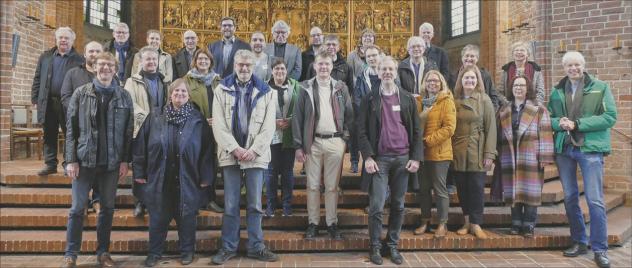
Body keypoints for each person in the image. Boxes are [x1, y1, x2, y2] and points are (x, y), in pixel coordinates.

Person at [62, 52, 133, 268]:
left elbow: (128, 132)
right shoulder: (81, 93)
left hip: (111, 163)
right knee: (77, 208)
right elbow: (71, 130)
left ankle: (103, 252)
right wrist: (70, 160)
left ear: (116, 69)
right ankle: (71, 254)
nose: (105, 68)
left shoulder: (124, 96)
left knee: (108, 208)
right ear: (93, 67)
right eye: (101, 64)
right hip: (84, 161)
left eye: (110, 65)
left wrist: (125, 161)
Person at [134, 79, 215, 267]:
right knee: (157, 219)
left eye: (184, 92)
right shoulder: (155, 116)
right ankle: (154, 253)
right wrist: (139, 171)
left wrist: (205, 177)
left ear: (189, 96)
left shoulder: (197, 119)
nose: (180, 94)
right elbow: (140, 146)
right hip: (159, 178)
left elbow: (206, 150)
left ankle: (187, 252)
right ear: (170, 94)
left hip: (188, 178)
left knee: (186, 218)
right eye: (176, 91)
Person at [548, 51, 617, 268]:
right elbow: (548, 118)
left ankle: (600, 249)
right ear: (564, 68)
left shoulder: (600, 87)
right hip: (565, 149)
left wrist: (577, 124)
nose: (573, 68)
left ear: (583, 66)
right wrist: (560, 123)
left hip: (590, 149)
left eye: (577, 65)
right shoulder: (557, 90)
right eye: (569, 65)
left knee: (595, 200)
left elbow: (609, 117)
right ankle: (579, 241)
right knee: (569, 197)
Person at [210, 50, 279, 265]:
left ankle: (256, 246)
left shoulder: (267, 91)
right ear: (234, 65)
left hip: (255, 156)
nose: (244, 68)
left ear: (254, 66)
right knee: (230, 204)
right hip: (230, 155)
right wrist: (234, 148)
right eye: (240, 64)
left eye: (249, 65)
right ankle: (228, 247)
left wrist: (254, 150)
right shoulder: (221, 89)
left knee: (255, 204)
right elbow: (219, 125)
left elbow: (269, 126)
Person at [357, 56, 421, 265]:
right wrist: (367, 156)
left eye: (390, 69)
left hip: (402, 159)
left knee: (399, 205)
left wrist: (416, 158)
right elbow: (362, 130)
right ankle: (375, 246)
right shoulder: (370, 98)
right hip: (380, 160)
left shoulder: (407, 98)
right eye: (383, 69)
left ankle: (392, 245)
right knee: (376, 205)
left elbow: (417, 131)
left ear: (395, 72)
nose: (387, 72)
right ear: (378, 72)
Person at [292, 51, 353, 241]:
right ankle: (313, 223)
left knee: (332, 186)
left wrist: (345, 138)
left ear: (332, 66)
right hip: (314, 142)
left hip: (335, 141)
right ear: (315, 66)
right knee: (312, 185)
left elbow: (350, 115)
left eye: (327, 64)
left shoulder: (341, 87)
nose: (324, 67)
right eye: (320, 64)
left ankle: (332, 223)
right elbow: (297, 118)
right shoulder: (305, 88)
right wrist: (298, 146)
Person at [491, 75, 554, 238]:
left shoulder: (539, 109)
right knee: (513, 190)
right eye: (516, 85)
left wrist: (544, 157)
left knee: (530, 191)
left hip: (530, 154)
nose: (518, 88)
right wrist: (496, 153)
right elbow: (497, 133)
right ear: (512, 89)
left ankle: (529, 224)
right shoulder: (504, 110)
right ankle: (516, 222)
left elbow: (546, 132)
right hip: (508, 155)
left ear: (528, 89)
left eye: (522, 85)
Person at [31, 26, 85, 176]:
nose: (63, 40)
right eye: (60, 37)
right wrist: (35, 98)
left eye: (67, 38)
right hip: (48, 101)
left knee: (70, 134)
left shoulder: (80, 59)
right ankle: (50, 164)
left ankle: (69, 164)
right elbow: (37, 78)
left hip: (69, 102)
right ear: (56, 39)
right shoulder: (46, 57)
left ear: (72, 40)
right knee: (49, 133)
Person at [452, 65, 496, 239]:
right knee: (462, 189)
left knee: (477, 188)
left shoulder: (484, 100)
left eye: (472, 78)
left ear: (477, 81)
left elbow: (491, 128)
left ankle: (476, 223)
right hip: (459, 150)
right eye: (466, 78)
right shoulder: (454, 100)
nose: (469, 81)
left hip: (477, 149)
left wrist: (489, 154)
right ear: (460, 81)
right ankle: (467, 221)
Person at [125, 46, 169, 218]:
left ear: (158, 62)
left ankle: (153, 200)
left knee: (156, 165)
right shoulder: (132, 81)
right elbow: (130, 103)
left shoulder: (163, 81)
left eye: (154, 59)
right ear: (141, 61)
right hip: (141, 126)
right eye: (148, 59)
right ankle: (139, 202)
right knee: (140, 164)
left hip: (160, 129)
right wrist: (146, 118)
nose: (151, 62)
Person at [60, 41, 104, 214]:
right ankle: (83, 200)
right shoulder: (73, 73)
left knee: (100, 164)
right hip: (80, 127)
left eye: (97, 51)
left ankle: (98, 198)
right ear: (84, 54)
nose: (94, 54)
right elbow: (65, 96)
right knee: (81, 165)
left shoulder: (108, 73)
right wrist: (80, 112)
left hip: (101, 128)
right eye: (91, 51)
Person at [413, 70, 456, 238]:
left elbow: (449, 128)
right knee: (423, 189)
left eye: (436, 81)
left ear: (441, 83)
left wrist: (427, 141)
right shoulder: (418, 101)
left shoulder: (446, 101)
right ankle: (425, 221)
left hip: (439, 153)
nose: (432, 83)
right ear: (425, 83)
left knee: (440, 189)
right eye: (429, 80)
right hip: (421, 153)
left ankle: (442, 223)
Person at [183, 48, 224, 213]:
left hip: (215, 130)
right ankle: (194, 200)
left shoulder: (218, 81)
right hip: (196, 128)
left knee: (211, 165)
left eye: (206, 59)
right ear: (195, 61)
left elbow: (225, 104)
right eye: (200, 59)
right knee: (194, 164)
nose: (203, 62)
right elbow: (183, 103)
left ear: (211, 62)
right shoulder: (187, 80)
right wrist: (200, 120)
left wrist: (218, 119)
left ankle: (210, 199)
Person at [264, 59, 299, 218]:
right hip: (271, 136)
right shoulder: (264, 87)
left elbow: (300, 108)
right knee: (271, 173)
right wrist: (273, 122)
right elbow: (258, 111)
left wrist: (290, 121)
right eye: (276, 69)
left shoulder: (294, 86)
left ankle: (287, 205)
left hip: (289, 135)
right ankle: (271, 205)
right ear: (272, 71)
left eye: (282, 69)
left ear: (287, 71)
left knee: (287, 172)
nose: (280, 72)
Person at [353, 45, 382, 174]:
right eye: (368, 56)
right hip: (368, 119)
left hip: (384, 119)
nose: (371, 58)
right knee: (369, 150)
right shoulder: (361, 77)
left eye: (374, 55)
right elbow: (357, 98)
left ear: (380, 56)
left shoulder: (388, 74)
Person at [455, 44, 502, 110]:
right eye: (466, 56)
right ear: (462, 58)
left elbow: (493, 96)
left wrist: (491, 113)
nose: (469, 58)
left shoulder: (485, 75)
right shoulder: (455, 76)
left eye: (472, 56)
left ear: (477, 58)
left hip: (482, 111)